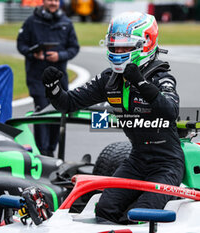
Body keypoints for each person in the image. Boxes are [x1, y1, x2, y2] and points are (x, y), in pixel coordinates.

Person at [42, 11, 184, 224]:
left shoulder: (161, 76)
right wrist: (53, 88)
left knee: (138, 215)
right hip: (136, 160)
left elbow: (171, 111)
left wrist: (141, 84)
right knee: (104, 209)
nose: (118, 52)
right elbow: (68, 103)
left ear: (145, 44)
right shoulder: (109, 79)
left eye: (125, 47)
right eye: (115, 46)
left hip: (167, 164)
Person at [17, 0, 80, 156]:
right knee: (43, 114)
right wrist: (33, 53)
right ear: (43, 2)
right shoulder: (31, 21)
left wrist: (60, 55)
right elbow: (21, 45)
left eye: (55, 0)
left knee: (57, 116)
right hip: (37, 78)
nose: (52, 3)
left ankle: (51, 151)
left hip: (59, 79)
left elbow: (74, 47)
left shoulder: (66, 22)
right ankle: (42, 153)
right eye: (49, 0)